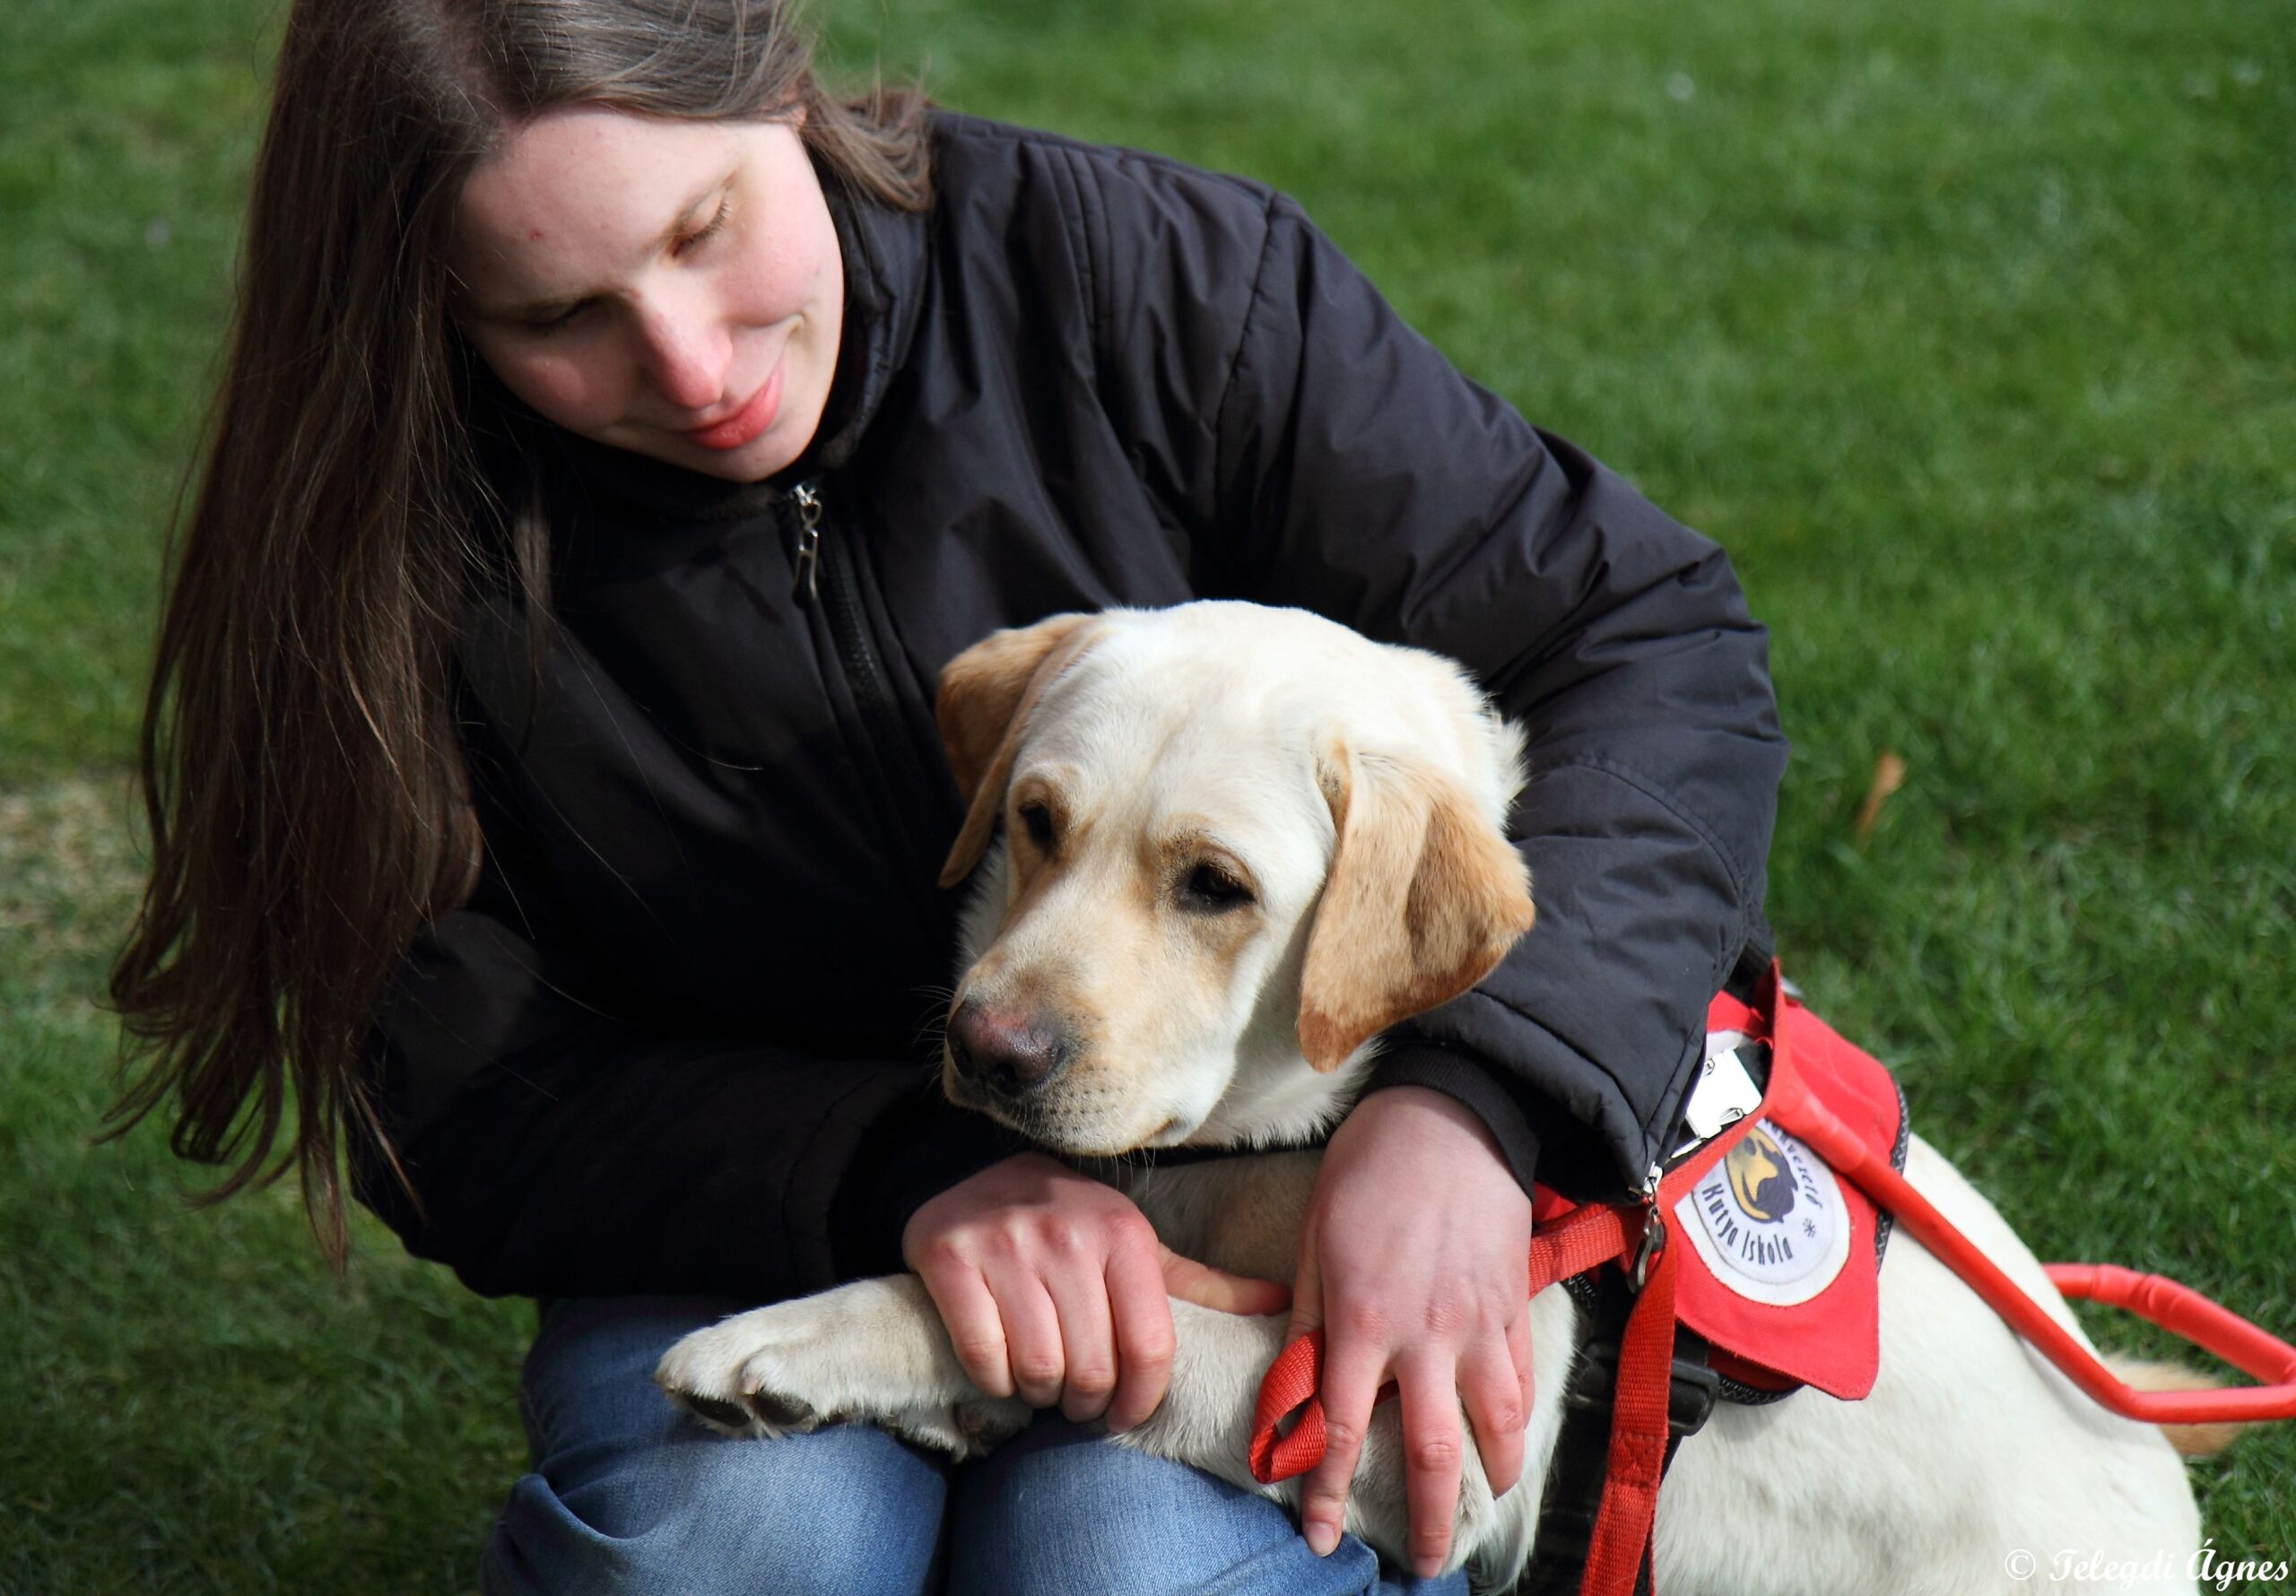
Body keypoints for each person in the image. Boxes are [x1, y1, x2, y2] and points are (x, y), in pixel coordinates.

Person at [106, 1, 1788, 1591]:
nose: (693, 369)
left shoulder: (1148, 283)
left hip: (1270, 1203)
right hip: (750, 1210)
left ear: (787, 97)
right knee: (746, 1547)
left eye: (705, 230)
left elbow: (1650, 644)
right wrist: (894, 1170)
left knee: (1122, 1564)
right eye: (559, 317)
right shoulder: (384, 541)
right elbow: (451, 1084)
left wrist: (1475, 1113)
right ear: (434, 310)